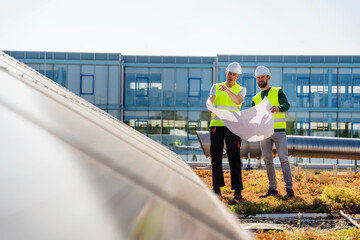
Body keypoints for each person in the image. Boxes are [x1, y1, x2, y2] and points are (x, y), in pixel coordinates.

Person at [251, 66, 295, 200]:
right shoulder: (255, 98)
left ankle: (289, 189)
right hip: (264, 133)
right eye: (258, 78)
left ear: (268, 78)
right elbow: (254, 116)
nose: (260, 80)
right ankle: (273, 188)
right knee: (268, 161)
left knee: (283, 159)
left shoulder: (277, 91)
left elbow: (286, 105)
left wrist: (279, 108)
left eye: (262, 77)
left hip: (278, 131)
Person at [207, 62, 246, 200]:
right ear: (226, 73)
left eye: (234, 74)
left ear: (237, 77)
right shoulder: (216, 87)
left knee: (234, 157)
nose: (231, 76)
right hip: (217, 125)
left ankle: (237, 191)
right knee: (215, 156)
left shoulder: (241, 89)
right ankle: (216, 188)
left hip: (233, 127)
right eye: (229, 73)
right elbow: (211, 99)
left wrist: (228, 91)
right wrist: (209, 104)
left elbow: (237, 101)